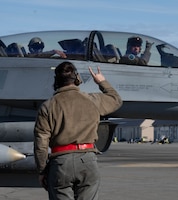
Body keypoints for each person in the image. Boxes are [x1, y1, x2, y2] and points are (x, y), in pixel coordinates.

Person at [33, 61, 122, 200]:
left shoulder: (48, 106)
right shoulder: (92, 100)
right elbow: (116, 100)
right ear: (77, 79)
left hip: (61, 163)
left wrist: (42, 171)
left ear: (56, 81)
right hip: (87, 161)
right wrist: (101, 81)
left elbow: (41, 143)